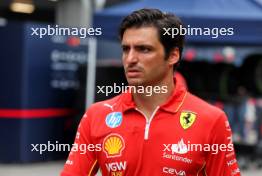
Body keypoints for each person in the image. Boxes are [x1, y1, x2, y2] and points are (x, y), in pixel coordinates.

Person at [61, 8, 240, 176]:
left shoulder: (211, 119)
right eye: (125, 49)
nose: (130, 59)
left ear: (173, 56)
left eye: (144, 49)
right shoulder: (96, 115)